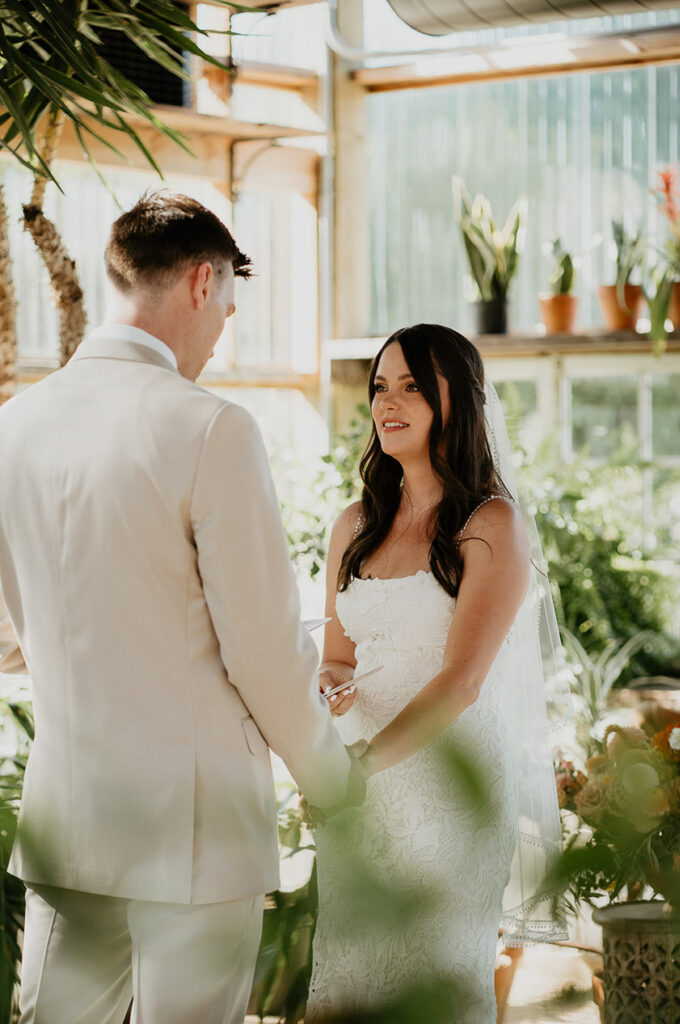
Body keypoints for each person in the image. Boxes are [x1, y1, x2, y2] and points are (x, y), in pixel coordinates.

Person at [0, 191, 362, 1024]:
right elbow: (264, 653)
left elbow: (10, 639)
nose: (219, 334)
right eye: (227, 310)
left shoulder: (16, 425)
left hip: (68, 821)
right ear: (203, 283)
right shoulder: (210, 428)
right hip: (194, 838)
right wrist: (330, 781)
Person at [306, 324, 567, 1024]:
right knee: (353, 978)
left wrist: (362, 764)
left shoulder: (490, 525)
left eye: (413, 386)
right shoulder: (353, 524)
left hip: (445, 789)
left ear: (459, 400)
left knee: (435, 982)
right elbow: (335, 652)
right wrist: (332, 688)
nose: (388, 402)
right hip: (356, 788)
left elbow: (461, 681)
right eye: (380, 386)